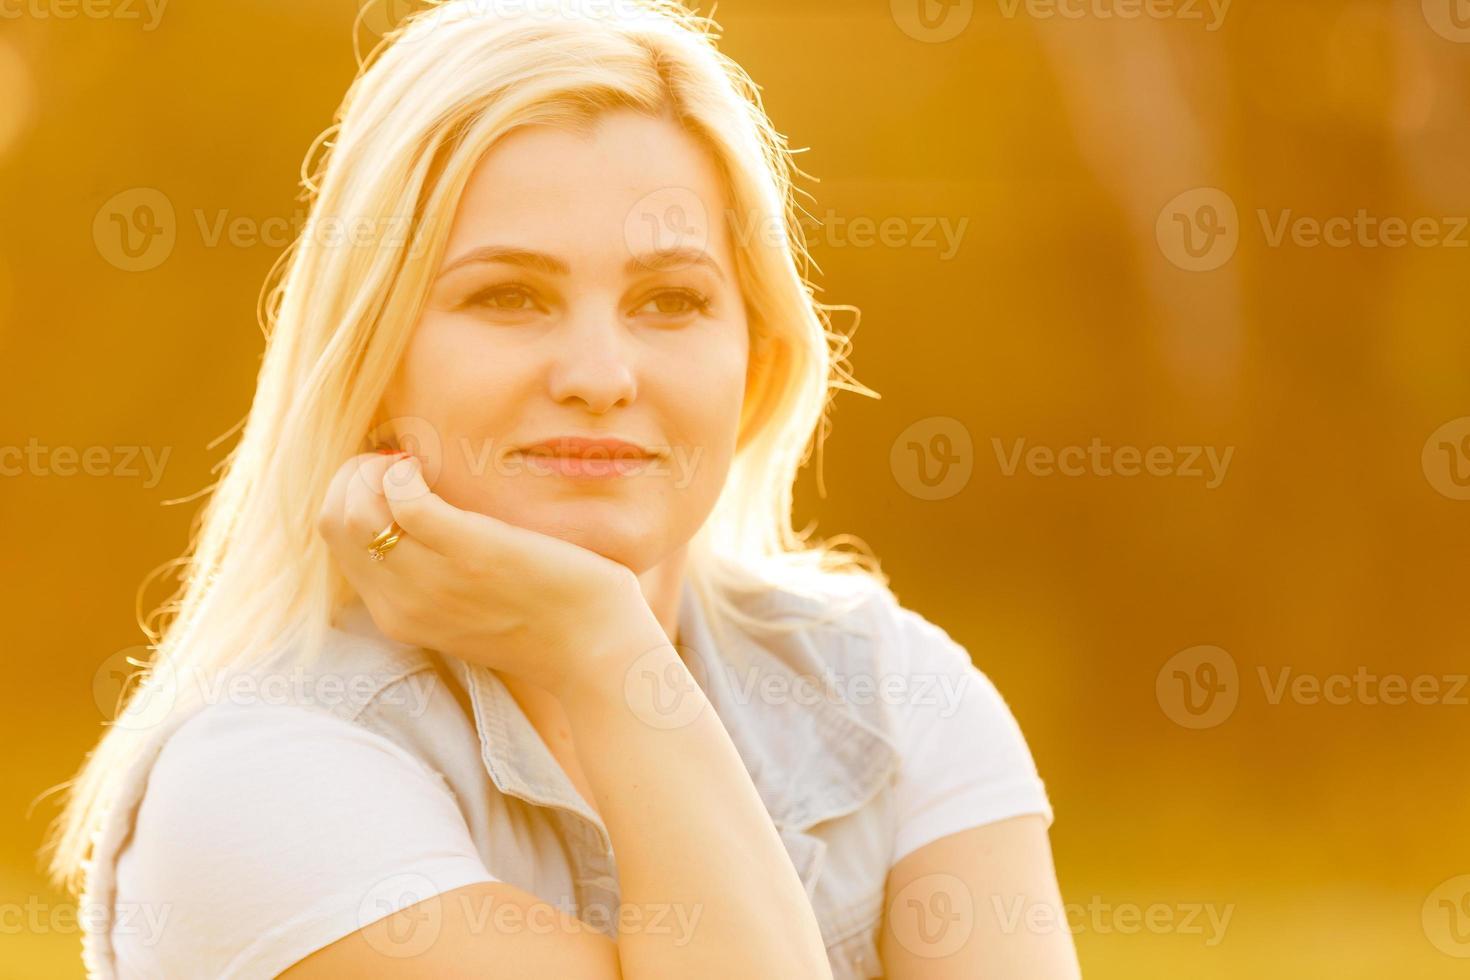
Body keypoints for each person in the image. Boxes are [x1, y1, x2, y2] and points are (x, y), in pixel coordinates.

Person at [47, 2, 1081, 977]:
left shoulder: (891, 689)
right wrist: (603, 644)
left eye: (671, 299)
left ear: (756, 367)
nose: (599, 372)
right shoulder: (259, 782)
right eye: (508, 295)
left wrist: (609, 659)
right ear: (373, 362)